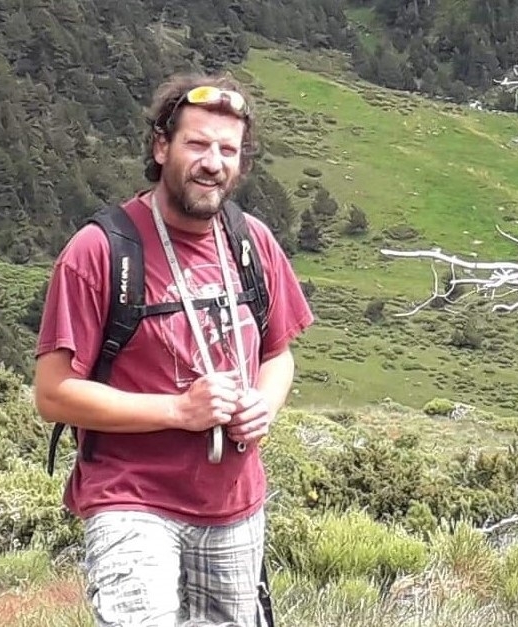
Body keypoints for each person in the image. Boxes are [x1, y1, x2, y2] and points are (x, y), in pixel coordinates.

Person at [33, 72, 314, 627]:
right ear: (161, 147)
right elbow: (54, 394)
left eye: (227, 150)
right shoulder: (100, 250)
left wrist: (264, 404)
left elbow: (278, 355)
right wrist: (180, 410)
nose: (213, 163)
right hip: (131, 500)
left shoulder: (252, 243)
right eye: (197, 144)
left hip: (234, 505)